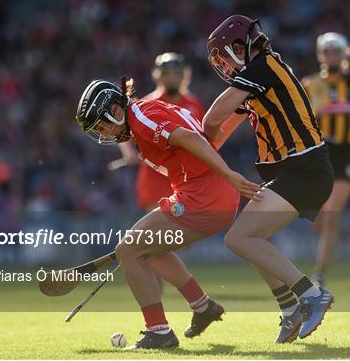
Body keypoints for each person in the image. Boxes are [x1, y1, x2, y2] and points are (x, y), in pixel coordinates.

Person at [75, 78, 260, 349]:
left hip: (205, 197)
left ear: (116, 110)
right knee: (151, 251)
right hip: (205, 193)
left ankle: (159, 332)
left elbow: (189, 137)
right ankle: (202, 306)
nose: (105, 134)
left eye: (103, 126)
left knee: (128, 250)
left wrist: (228, 174)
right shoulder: (143, 114)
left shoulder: (142, 119)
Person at [202, 15, 334, 344]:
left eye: (223, 57)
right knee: (247, 238)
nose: (223, 66)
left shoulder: (262, 68)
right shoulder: (257, 78)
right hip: (297, 171)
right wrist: (189, 159)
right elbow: (217, 135)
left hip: (305, 169)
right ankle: (290, 309)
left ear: (238, 47)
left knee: (239, 238)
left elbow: (212, 119)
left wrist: (198, 143)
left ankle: (310, 294)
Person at [302, 33, 350, 287]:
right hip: (319, 153)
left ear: (345, 55)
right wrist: (317, 114)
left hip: (346, 153)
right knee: (318, 221)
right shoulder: (310, 85)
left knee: (332, 214)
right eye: (328, 52)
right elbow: (299, 120)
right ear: (321, 55)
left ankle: (319, 275)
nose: (332, 57)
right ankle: (324, 235)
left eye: (336, 53)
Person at [119, 52, 205, 211]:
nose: (171, 78)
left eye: (176, 74)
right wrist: (128, 152)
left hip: (186, 178)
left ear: (184, 76)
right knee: (160, 231)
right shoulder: (146, 104)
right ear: (158, 76)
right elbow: (124, 132)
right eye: (167, 74)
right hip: (155, 180)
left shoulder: (194, 104)